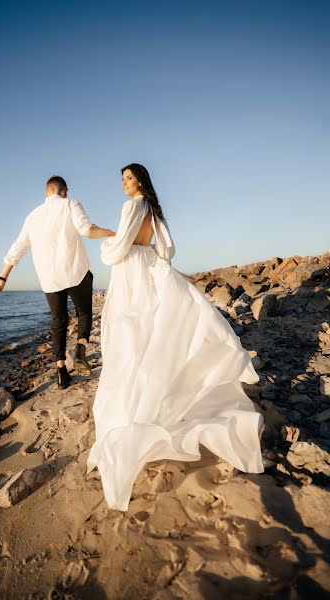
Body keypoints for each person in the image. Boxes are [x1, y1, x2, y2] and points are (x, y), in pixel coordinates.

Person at [87, 163, 264, 511]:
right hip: (151, 267)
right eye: (122, 179)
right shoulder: (154, 209)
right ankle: (163, 395)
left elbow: (119, 247)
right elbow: (166, 251)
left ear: (141, 181)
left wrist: (107, 244)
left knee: (130, 340)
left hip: (131, 273)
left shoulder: (132, 206)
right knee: (154, 333)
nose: (124, 184)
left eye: (129, 178)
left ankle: (137, 410)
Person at [0, 175, 114, 389]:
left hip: (49, 279)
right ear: (64, 191)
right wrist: (111, 233)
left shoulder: (32, 216)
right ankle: (81, 352)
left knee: (59, 322)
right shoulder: (70, 204)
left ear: (46, 193)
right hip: (76, 272)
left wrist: (3, 276)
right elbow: (87, 230)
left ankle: (61, 373)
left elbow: (18, 246)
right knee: (84, 313)